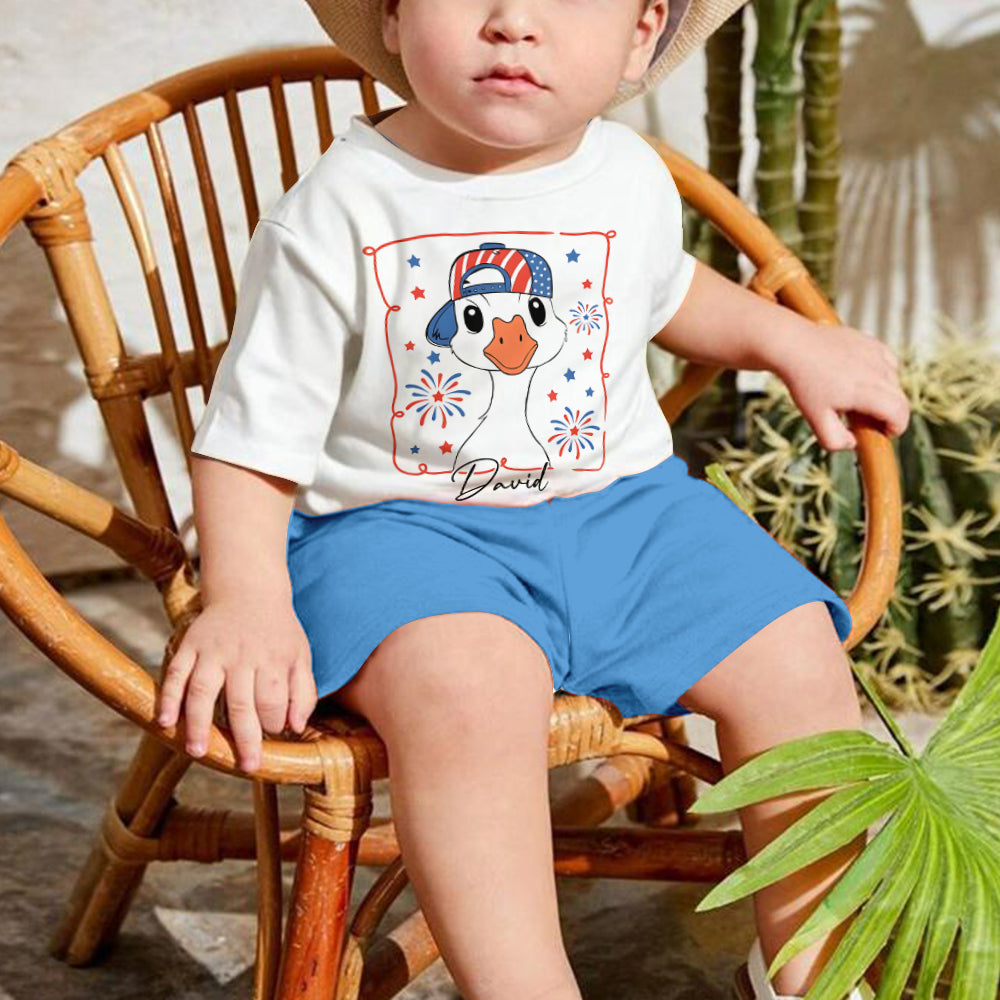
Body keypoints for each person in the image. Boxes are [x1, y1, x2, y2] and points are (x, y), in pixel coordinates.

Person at [158, 1, 910, 998]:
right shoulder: (341, 210)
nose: (514, 22)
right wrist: (246, 594)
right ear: (393, 14)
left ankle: (808, 966)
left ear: (641, 32)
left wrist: (787, 340)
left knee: (795, 652)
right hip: (399, 534)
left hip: (630, 516)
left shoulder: (626, 172)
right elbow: (252, 434)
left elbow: (667, 289)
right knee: (468, 691)